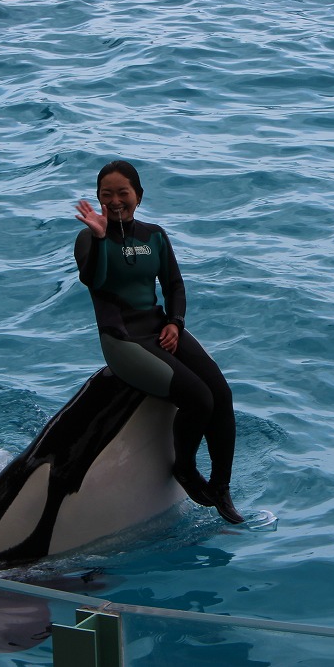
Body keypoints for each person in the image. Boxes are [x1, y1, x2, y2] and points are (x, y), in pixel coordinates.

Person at [74, 160, 244, 524]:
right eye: (107, 195)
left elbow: (174, 286)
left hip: (157, 328)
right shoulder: (89, 237)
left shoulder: (154, 235)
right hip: (122, 339)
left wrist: (175, 323)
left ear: (139, 195)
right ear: (98, 199)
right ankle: (184, 468)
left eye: (124, 193)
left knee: (221, 394)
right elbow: (95, 281)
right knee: (198, 398)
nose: (116, 201)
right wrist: (102, 239)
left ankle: (221, 487)